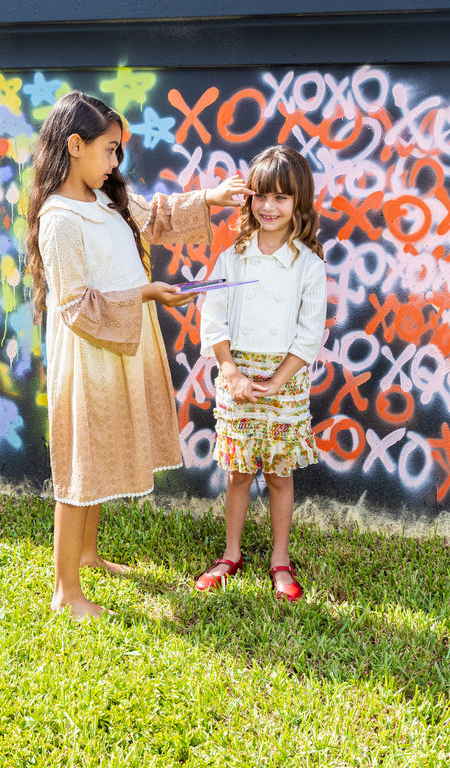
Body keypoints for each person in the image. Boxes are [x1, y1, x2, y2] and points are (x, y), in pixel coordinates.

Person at [23, 91, 250, 619]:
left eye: (118, 151)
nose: (115, 162)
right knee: (82, 464)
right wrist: (146, 294)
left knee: (99, 453)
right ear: (74, 146)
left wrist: (213, 198)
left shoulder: (105, 198)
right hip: (88, 356)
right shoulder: (59, 220)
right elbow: (76, 306)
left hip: (121, 344)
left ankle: (89, 555)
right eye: (109, 150)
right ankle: (66, 590)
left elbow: (157, 216)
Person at [194, 145, 327, 601]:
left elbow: (310, 333)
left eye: (282, 198)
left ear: (299, 203)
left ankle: (279, 559)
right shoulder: (233, 257)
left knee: (279, 474)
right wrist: (229, 371)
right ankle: (231, 553)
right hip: (237, 377)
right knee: (237, 472)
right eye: (261, 196)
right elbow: (213, 316)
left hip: (285, 383)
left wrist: (280, 378)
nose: (269, 207)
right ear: (249, 199)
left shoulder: (308, 265)